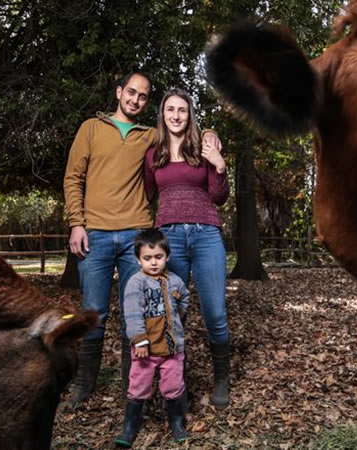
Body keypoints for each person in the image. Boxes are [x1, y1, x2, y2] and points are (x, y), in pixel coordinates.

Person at [63, 72, 221, 408]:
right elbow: (73, 177)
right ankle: (83, 386)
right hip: (96, 233)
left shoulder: (150, 136)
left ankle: (133, 387)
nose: (136, 100)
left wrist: (210, 132)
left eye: (143, 96)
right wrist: (77, 223)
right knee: (94, 311)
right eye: (131, 93)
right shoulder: (92, 128)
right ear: (119, 92)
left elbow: (184, 132)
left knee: (138, 311)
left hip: (137, 233)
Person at [144, 88, 231, 409]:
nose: (176, 115)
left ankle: (221, 380)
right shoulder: (154, 154)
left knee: (215, 314)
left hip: (206, 234)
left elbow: (219, 196)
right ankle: (174, 384)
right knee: (174, 314)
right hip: (169, 240)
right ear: (163, 114)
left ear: (189, 114)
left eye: (182, 110)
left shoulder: (204, 147)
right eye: (170, 110)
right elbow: (147, 194)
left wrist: (220, 166)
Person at [114, 228, 190, 447]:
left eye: (159, 257)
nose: (154, 262)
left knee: (173, 385)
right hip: (145, 350)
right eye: (147, 258)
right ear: (138, 259)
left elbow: (184, 297)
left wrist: (179, 313)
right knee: (138, 385)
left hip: (172, 349)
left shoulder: (174, 281)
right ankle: (129, 428)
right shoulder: (136, 283)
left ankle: (176, 423)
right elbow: (132, 312)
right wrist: (139, 339)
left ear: (167, 256)